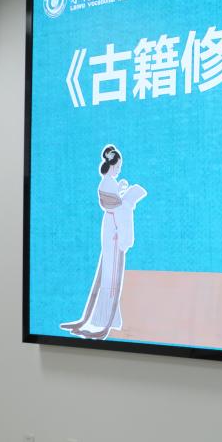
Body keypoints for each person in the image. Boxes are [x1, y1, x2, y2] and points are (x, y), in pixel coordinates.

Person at [60, 145, 147, 341]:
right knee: (112, 270)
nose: (119, 170)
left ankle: (102, 319)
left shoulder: (107, 182)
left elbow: (115, 199)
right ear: (113, 165)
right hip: (114, 227)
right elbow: (119, 207)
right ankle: (103, 320)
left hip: (109, 224)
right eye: (118, 166)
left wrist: (122, 190)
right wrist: (129, 202)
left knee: (108, 268)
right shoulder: (109, 184)